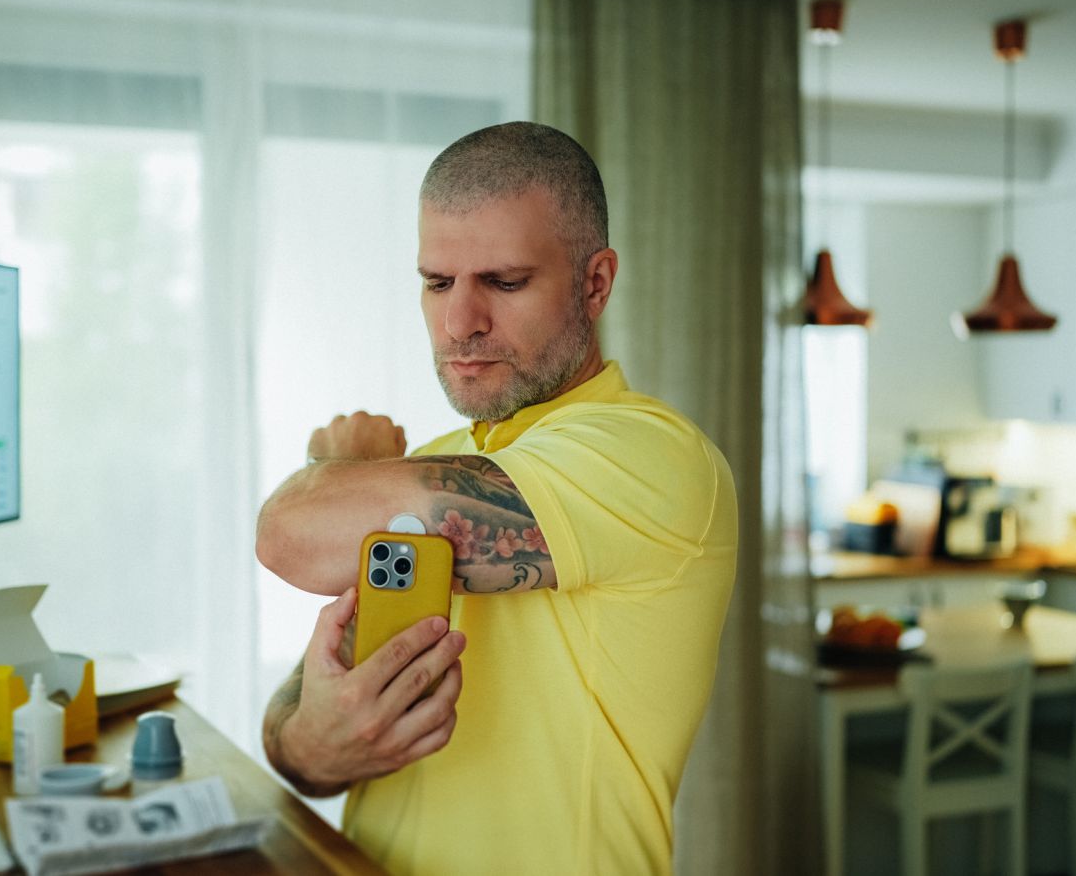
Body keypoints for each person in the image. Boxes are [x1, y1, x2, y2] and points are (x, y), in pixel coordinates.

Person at [255, 121, 737, 875]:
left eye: (504, 283)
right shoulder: (439, 467)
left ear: (596, 282)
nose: (459, 323)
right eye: (437, 282)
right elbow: (308, 727)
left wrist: (331, 468)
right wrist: (312, 743)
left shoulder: (651, 458)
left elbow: (287, 534)